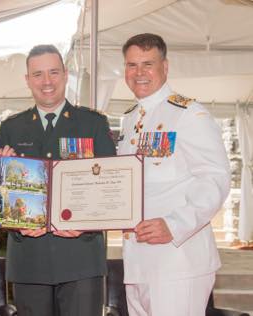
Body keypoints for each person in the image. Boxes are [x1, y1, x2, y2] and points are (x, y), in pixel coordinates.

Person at [0, 44, 116, 316]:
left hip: (80, 258)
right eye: (37, 74)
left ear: (65, 75)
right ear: (27, 80)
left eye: (53, 72)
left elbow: (110, 186)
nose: (46, 82)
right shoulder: (11, 128)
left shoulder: (93, 123)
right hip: (29, 259)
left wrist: (86, 224)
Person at [118, 33, 231, 316]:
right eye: (132, 65)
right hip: (138, 261)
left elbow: (215, 178)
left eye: (147, 64)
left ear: (165, 67)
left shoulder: (189, 114)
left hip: (178, 259)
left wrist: (175, 223)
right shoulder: (130, 119)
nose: (139, 73)